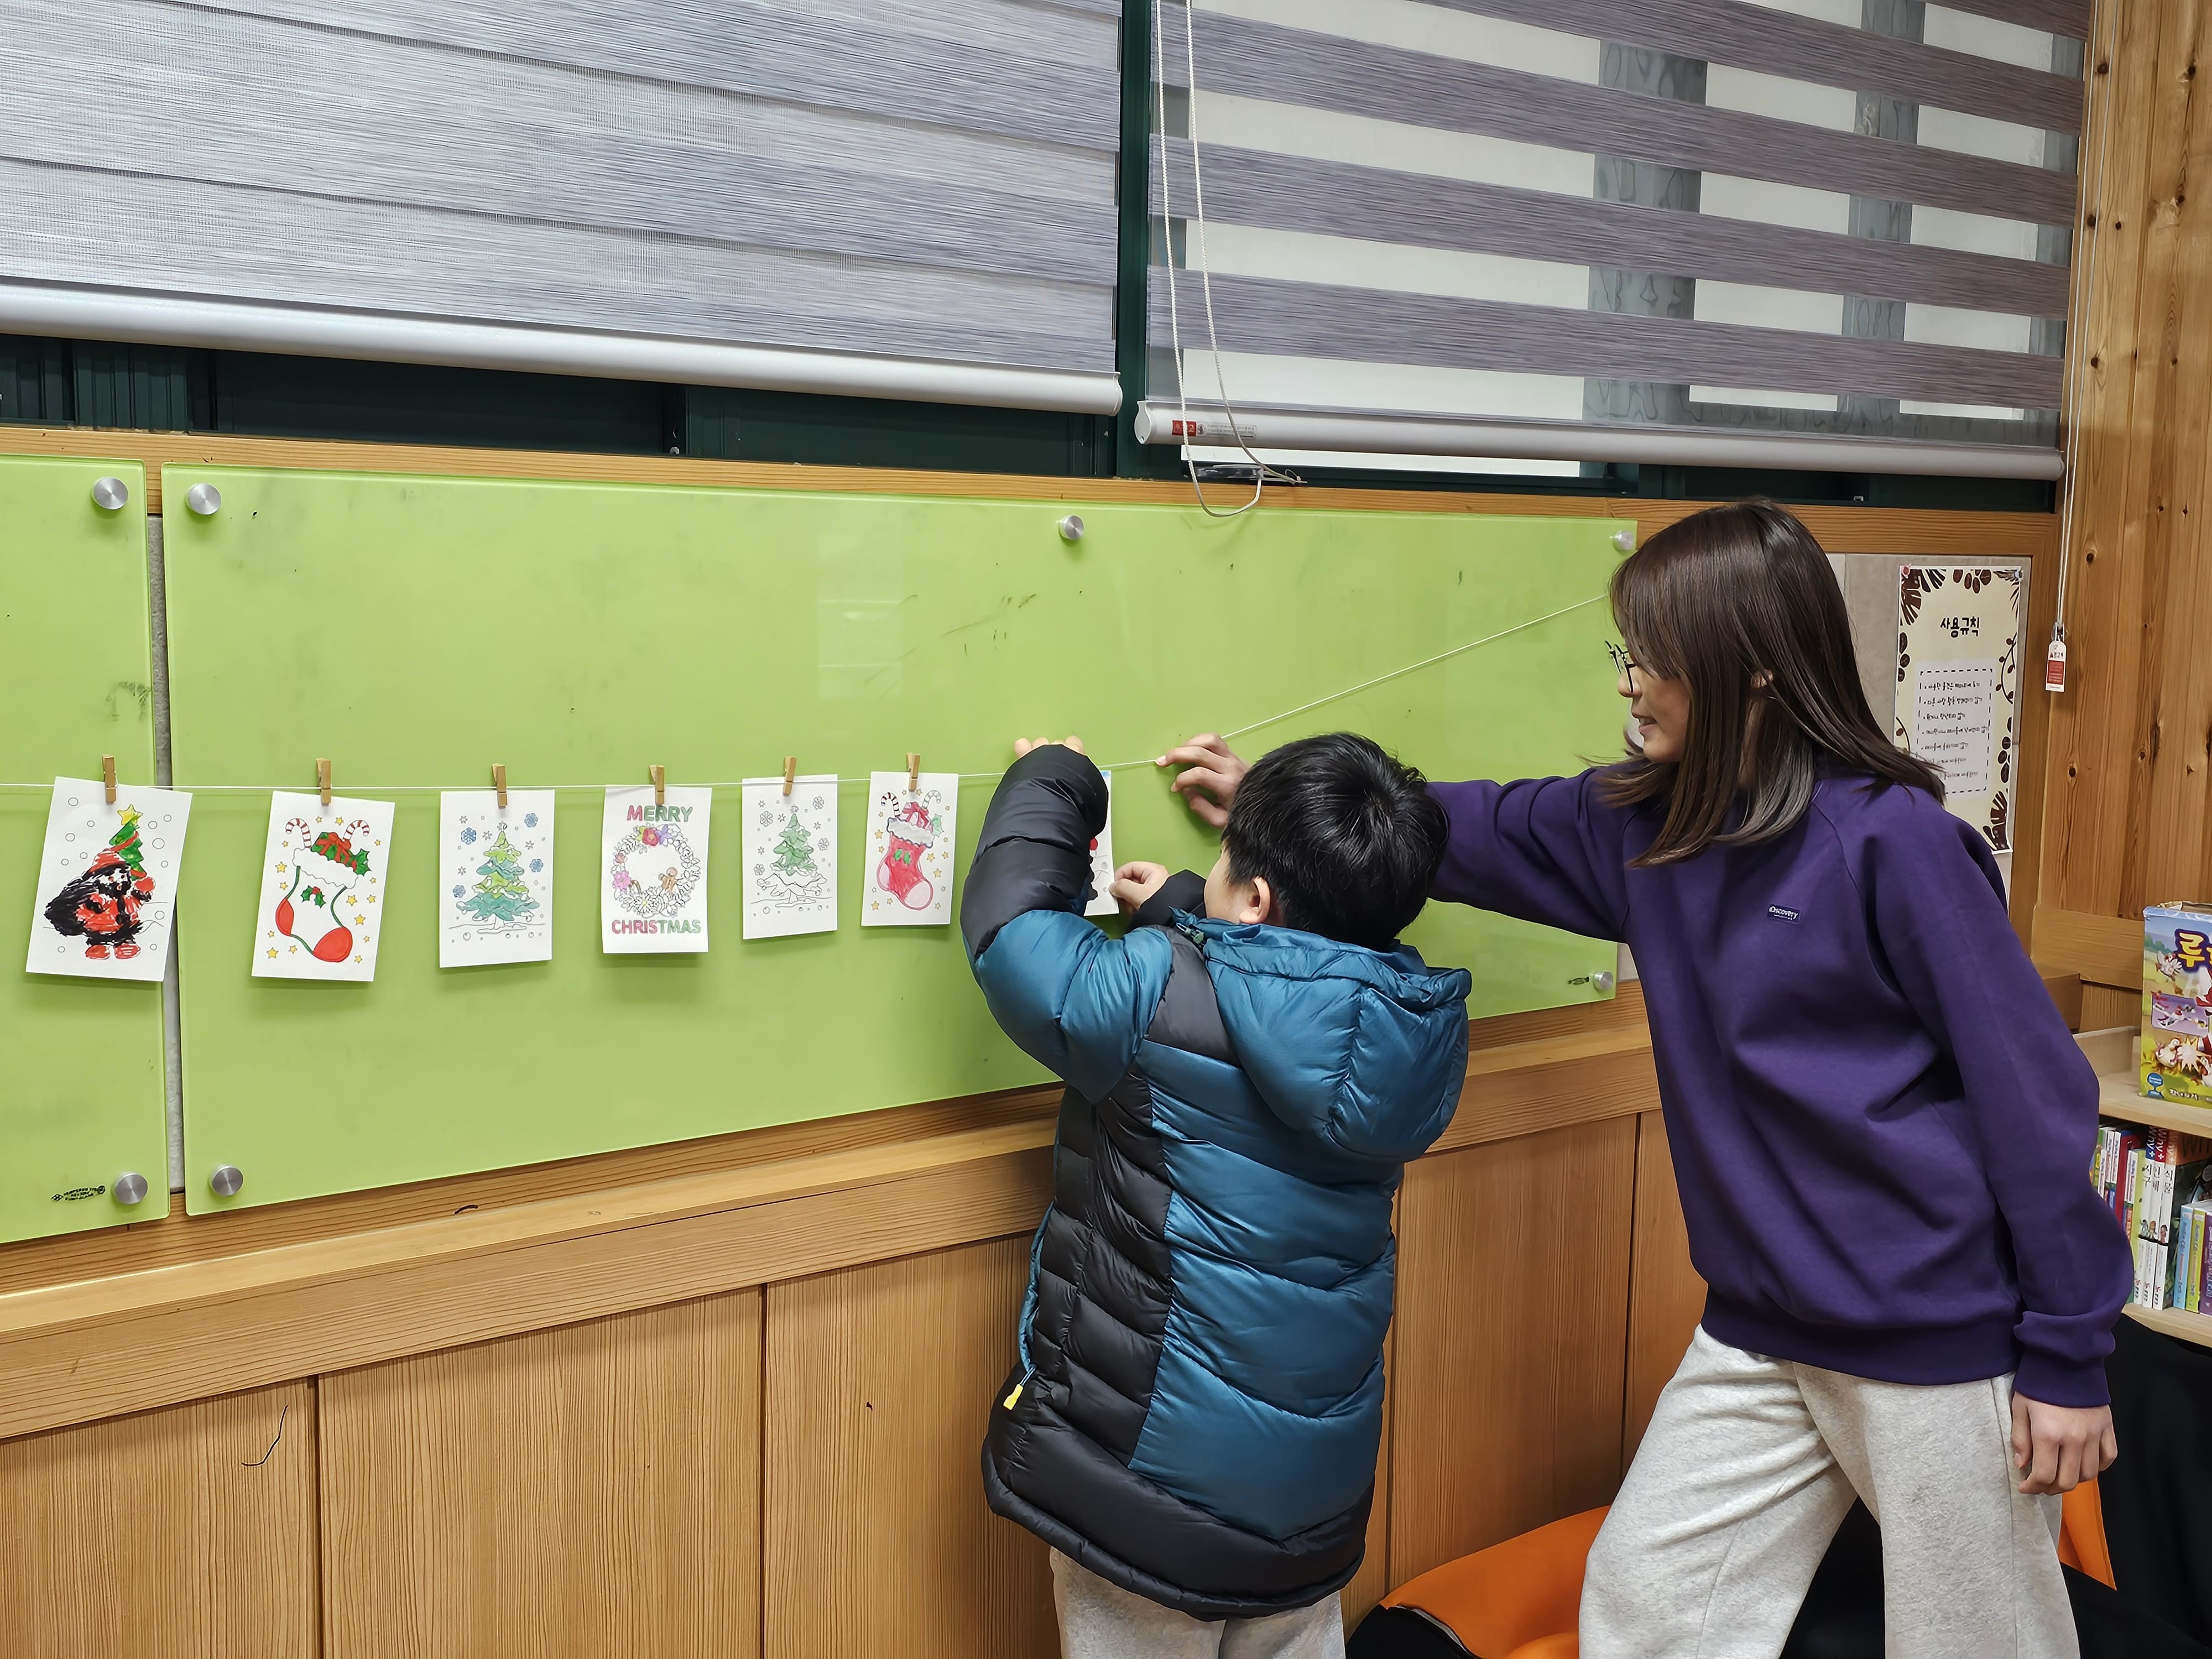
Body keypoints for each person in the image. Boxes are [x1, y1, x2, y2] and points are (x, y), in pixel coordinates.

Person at [1158, 500, 2133, 1659]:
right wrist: (1276, 804)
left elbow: (2032, 1099)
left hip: (1929, 1331)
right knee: (1648, 1603)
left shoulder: (1894, 845)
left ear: (1753, 671)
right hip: (1760, 1327)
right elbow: (1454, 830)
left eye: (1650, 659)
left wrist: (2067, 1355)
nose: (1628, 684)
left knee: (1977, 1643)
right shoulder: (1644, 829)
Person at [961, 731, 1472, 1659]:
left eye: (1225, 865)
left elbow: (1013, 938)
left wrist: (1058, 779)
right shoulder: (1403, 1027)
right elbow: (1281, 987)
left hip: (1147, 1490)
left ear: (1258, 901)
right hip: (1308, 1505)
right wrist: (1186, 906)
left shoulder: (1155, 991)